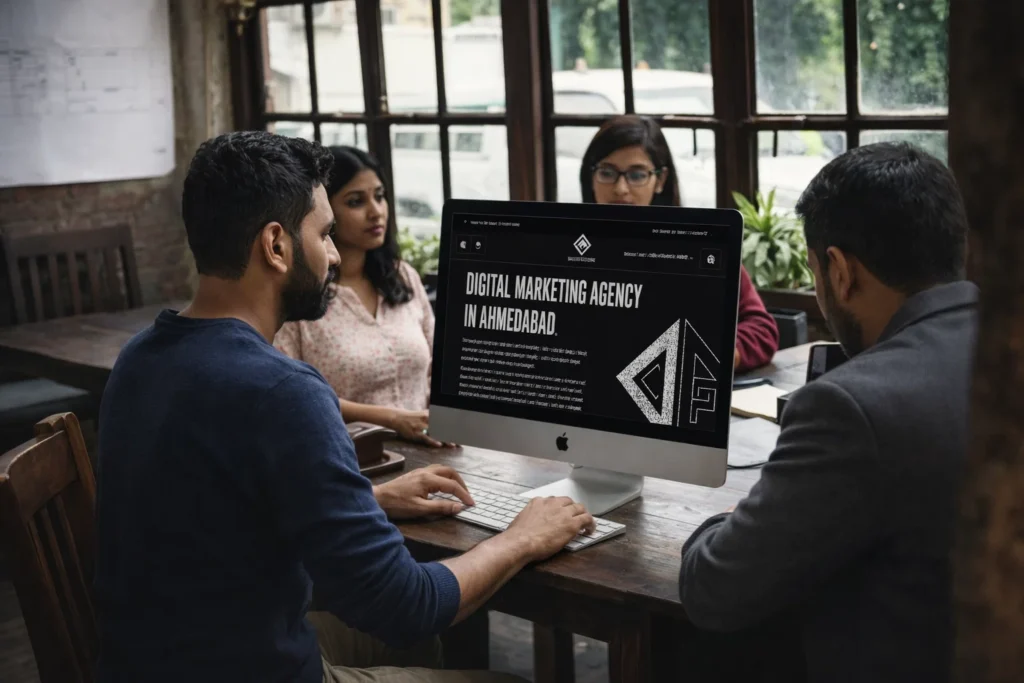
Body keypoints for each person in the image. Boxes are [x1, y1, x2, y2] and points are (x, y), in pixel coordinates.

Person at [94, 131, 595, 683]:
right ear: (276, 246)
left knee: (422, 647)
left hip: (161, 661)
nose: (333, 253)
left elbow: (215, 514)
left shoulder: (138, 359)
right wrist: (520, 537)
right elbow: (405, 605)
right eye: (326, 233)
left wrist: (369, 500)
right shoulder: (284, 392)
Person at [678, 143, 976, 683]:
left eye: (815, 272)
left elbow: (714, 587)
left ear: (839, 271)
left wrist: (721, 521)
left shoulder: (849, 408)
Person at [579, 115, 779, 372]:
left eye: (637, 175)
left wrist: (705, 356)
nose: (620, 188)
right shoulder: (563, 244)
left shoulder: (695, 246)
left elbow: (761, 329)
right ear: (591, 176)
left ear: (660, 180)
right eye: (607, 172)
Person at [275, 146, 444, 446]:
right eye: (356, 201)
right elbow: (291, 393)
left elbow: (437, 368)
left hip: (433, 448)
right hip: (352, 457)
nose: (375, 211)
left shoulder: (403, 276)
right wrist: (392, 419)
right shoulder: (301, 293)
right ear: (325, 211)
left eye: (379, 196)